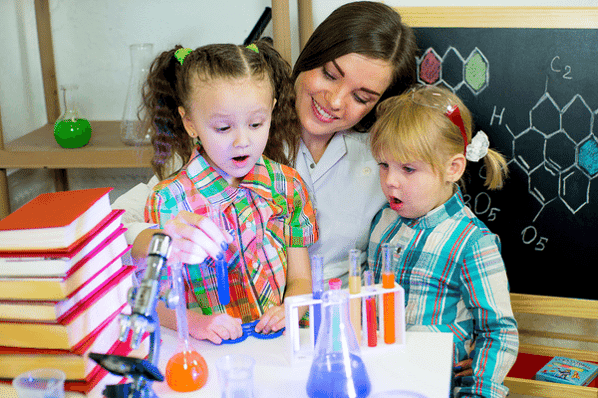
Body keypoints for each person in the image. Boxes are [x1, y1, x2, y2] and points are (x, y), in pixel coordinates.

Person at [139, 39, 318, 344]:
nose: (242, 141)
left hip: (277, 347)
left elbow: (301, 278)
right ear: (190, 122)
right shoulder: (168, 201)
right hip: (207, 353)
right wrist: (198, 324)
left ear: (272, 112)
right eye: (223, 128)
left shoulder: (288, 185)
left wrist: (292, 306)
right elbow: (155, 299)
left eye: (256, 123)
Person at [366, 85, 519, 398]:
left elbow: (498, 330)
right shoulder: (382, 223)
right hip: (379, 379)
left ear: (453, 168)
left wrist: (478, 391)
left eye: (408, 168)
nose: (390, 180)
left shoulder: (472, 243)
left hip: (432, 387)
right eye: (384, 165)